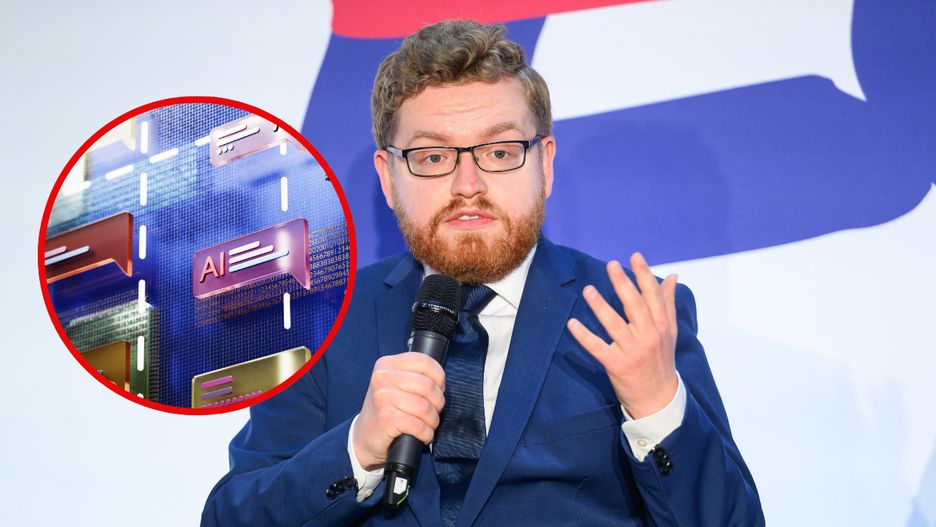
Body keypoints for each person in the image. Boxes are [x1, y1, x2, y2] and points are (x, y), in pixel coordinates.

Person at [202, 20, 764, 526]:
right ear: (388, 178)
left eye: (499, 152)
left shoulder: (630, 314)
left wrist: (657, 408)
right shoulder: (320, 319)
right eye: (433, 157)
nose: (467, 184)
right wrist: (357, 448)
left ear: (545, 164)